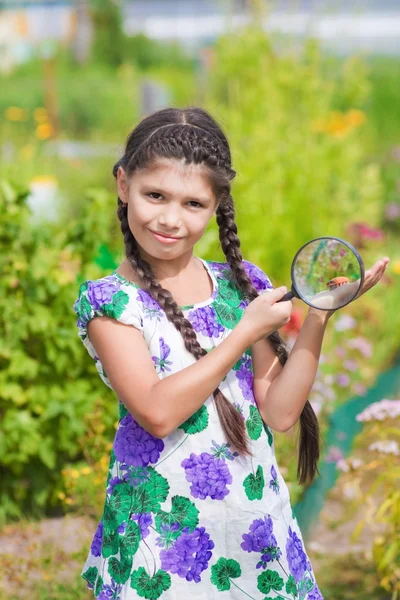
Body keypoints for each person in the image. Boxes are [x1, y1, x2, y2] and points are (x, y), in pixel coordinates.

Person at [73, 106, 389, 600]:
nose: (170, 219)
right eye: (154, 195)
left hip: (252, 528)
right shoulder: (111, 303)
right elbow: (157, 412)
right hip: (161, 539)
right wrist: (242, 333)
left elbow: (281, 412)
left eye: (193, 203)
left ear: (218, 203)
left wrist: (320, 315)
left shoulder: (241, 285)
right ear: (122, 184)